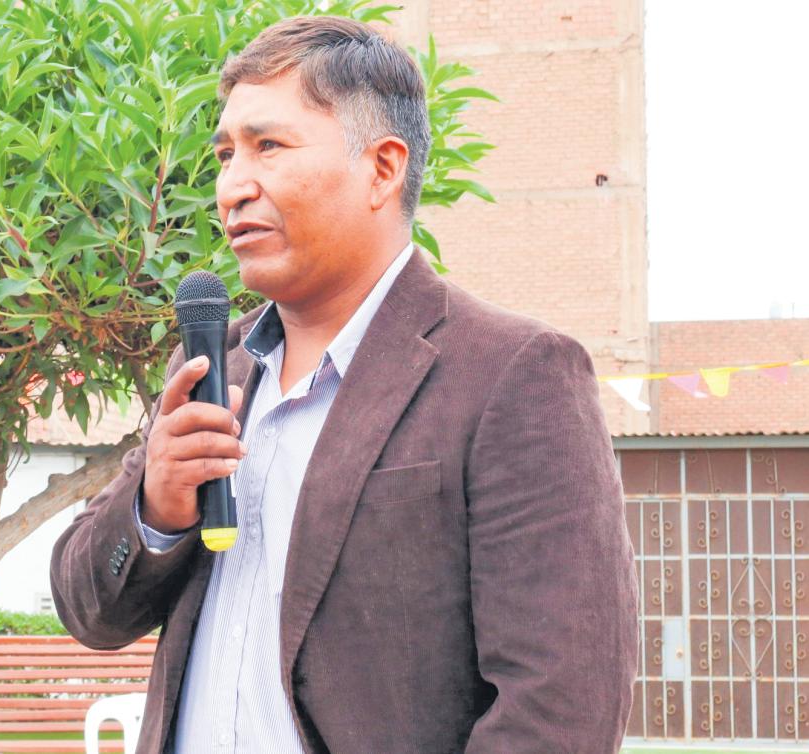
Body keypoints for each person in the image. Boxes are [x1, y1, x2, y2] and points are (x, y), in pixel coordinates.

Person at [50, 15, 639, 754]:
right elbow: (91, 612)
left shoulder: (512, 373)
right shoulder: (213, 367)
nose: (233, 187)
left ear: (382, 169)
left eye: (268, 146)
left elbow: (560, 706)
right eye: (226, 155)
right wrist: (156, 508)